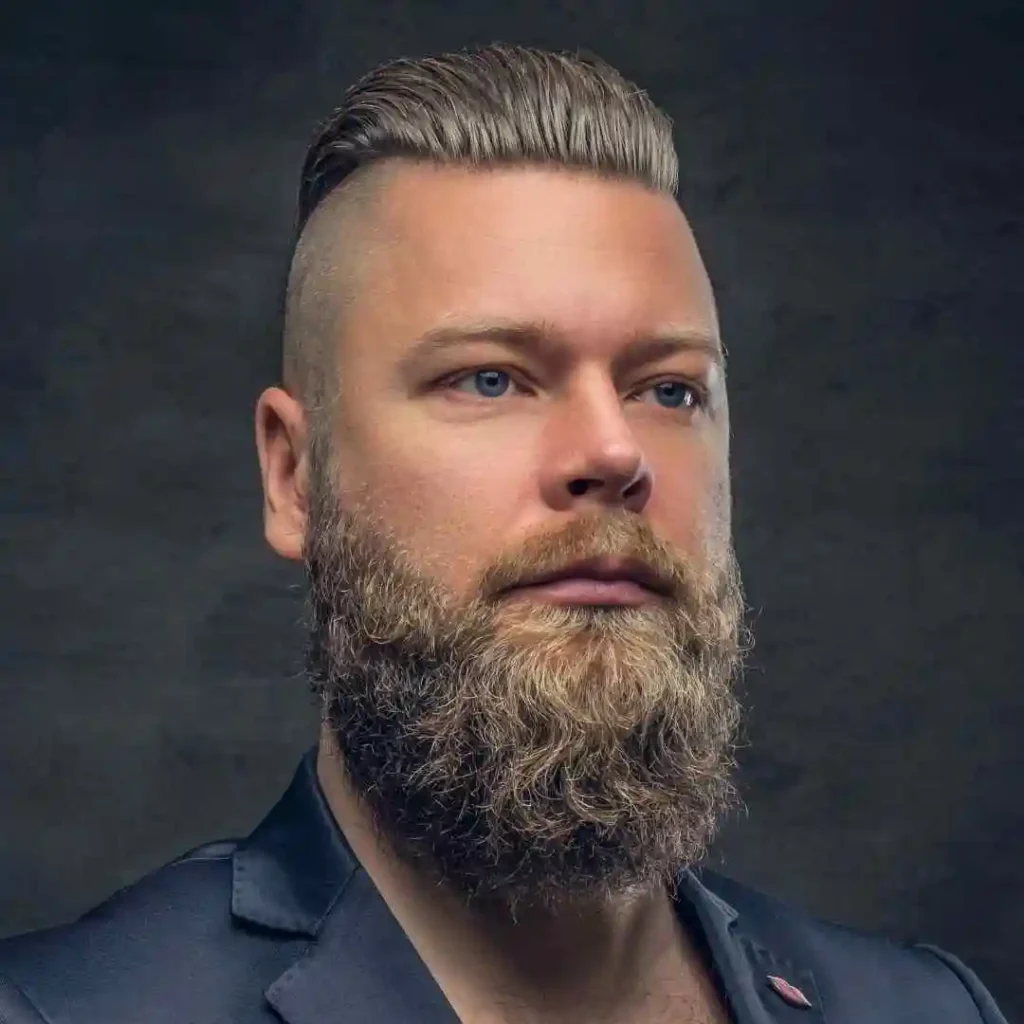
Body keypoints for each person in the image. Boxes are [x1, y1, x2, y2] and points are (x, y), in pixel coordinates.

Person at [0, 43, 1008, 1024]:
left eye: (667, 388)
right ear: (293, 475)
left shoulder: (929, 1007)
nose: (613, 452)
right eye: (489, 377)